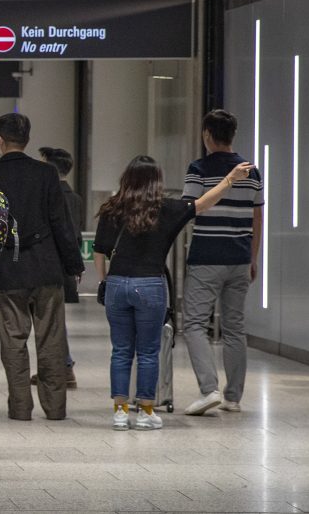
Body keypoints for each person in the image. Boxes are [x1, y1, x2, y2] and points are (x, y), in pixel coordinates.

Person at [95, 155, 252, 430]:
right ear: (157, 181)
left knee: (120, 351)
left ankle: (120, 412)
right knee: (148, 352)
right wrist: (229, 180)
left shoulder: (112, 208)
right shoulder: (165, 209)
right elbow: (204, 203)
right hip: (150, 286)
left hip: (117, 284)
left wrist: (106, 280)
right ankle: (145, 412)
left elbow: (99, 251)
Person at [0, 113, 84, 421]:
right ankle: (55, 409)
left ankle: (20, 408)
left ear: (0, 140)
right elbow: (61, 222)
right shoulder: (46, 174)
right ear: (27, 140)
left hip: (7, 268)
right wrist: (73, 263)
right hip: (46, 266)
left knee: (13, 340)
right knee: (50, 338)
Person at [181, 110, 265, 416]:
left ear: (206, 134)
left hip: (206, 257)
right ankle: (233, 398)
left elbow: (193, 209)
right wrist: (253, 258)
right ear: (233, 135)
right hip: (240, 258)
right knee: (234, 327)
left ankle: (209, 389)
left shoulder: (198, 168)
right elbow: (258, 218)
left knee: (193, 324)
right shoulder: (252, 172)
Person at [32, 147, 83, 390]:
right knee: (55, 320)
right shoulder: (75, 198)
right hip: (66, 264)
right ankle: (63, 366)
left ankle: (62, 367)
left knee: (51, 322)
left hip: (52, 264)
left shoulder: (52, 196)